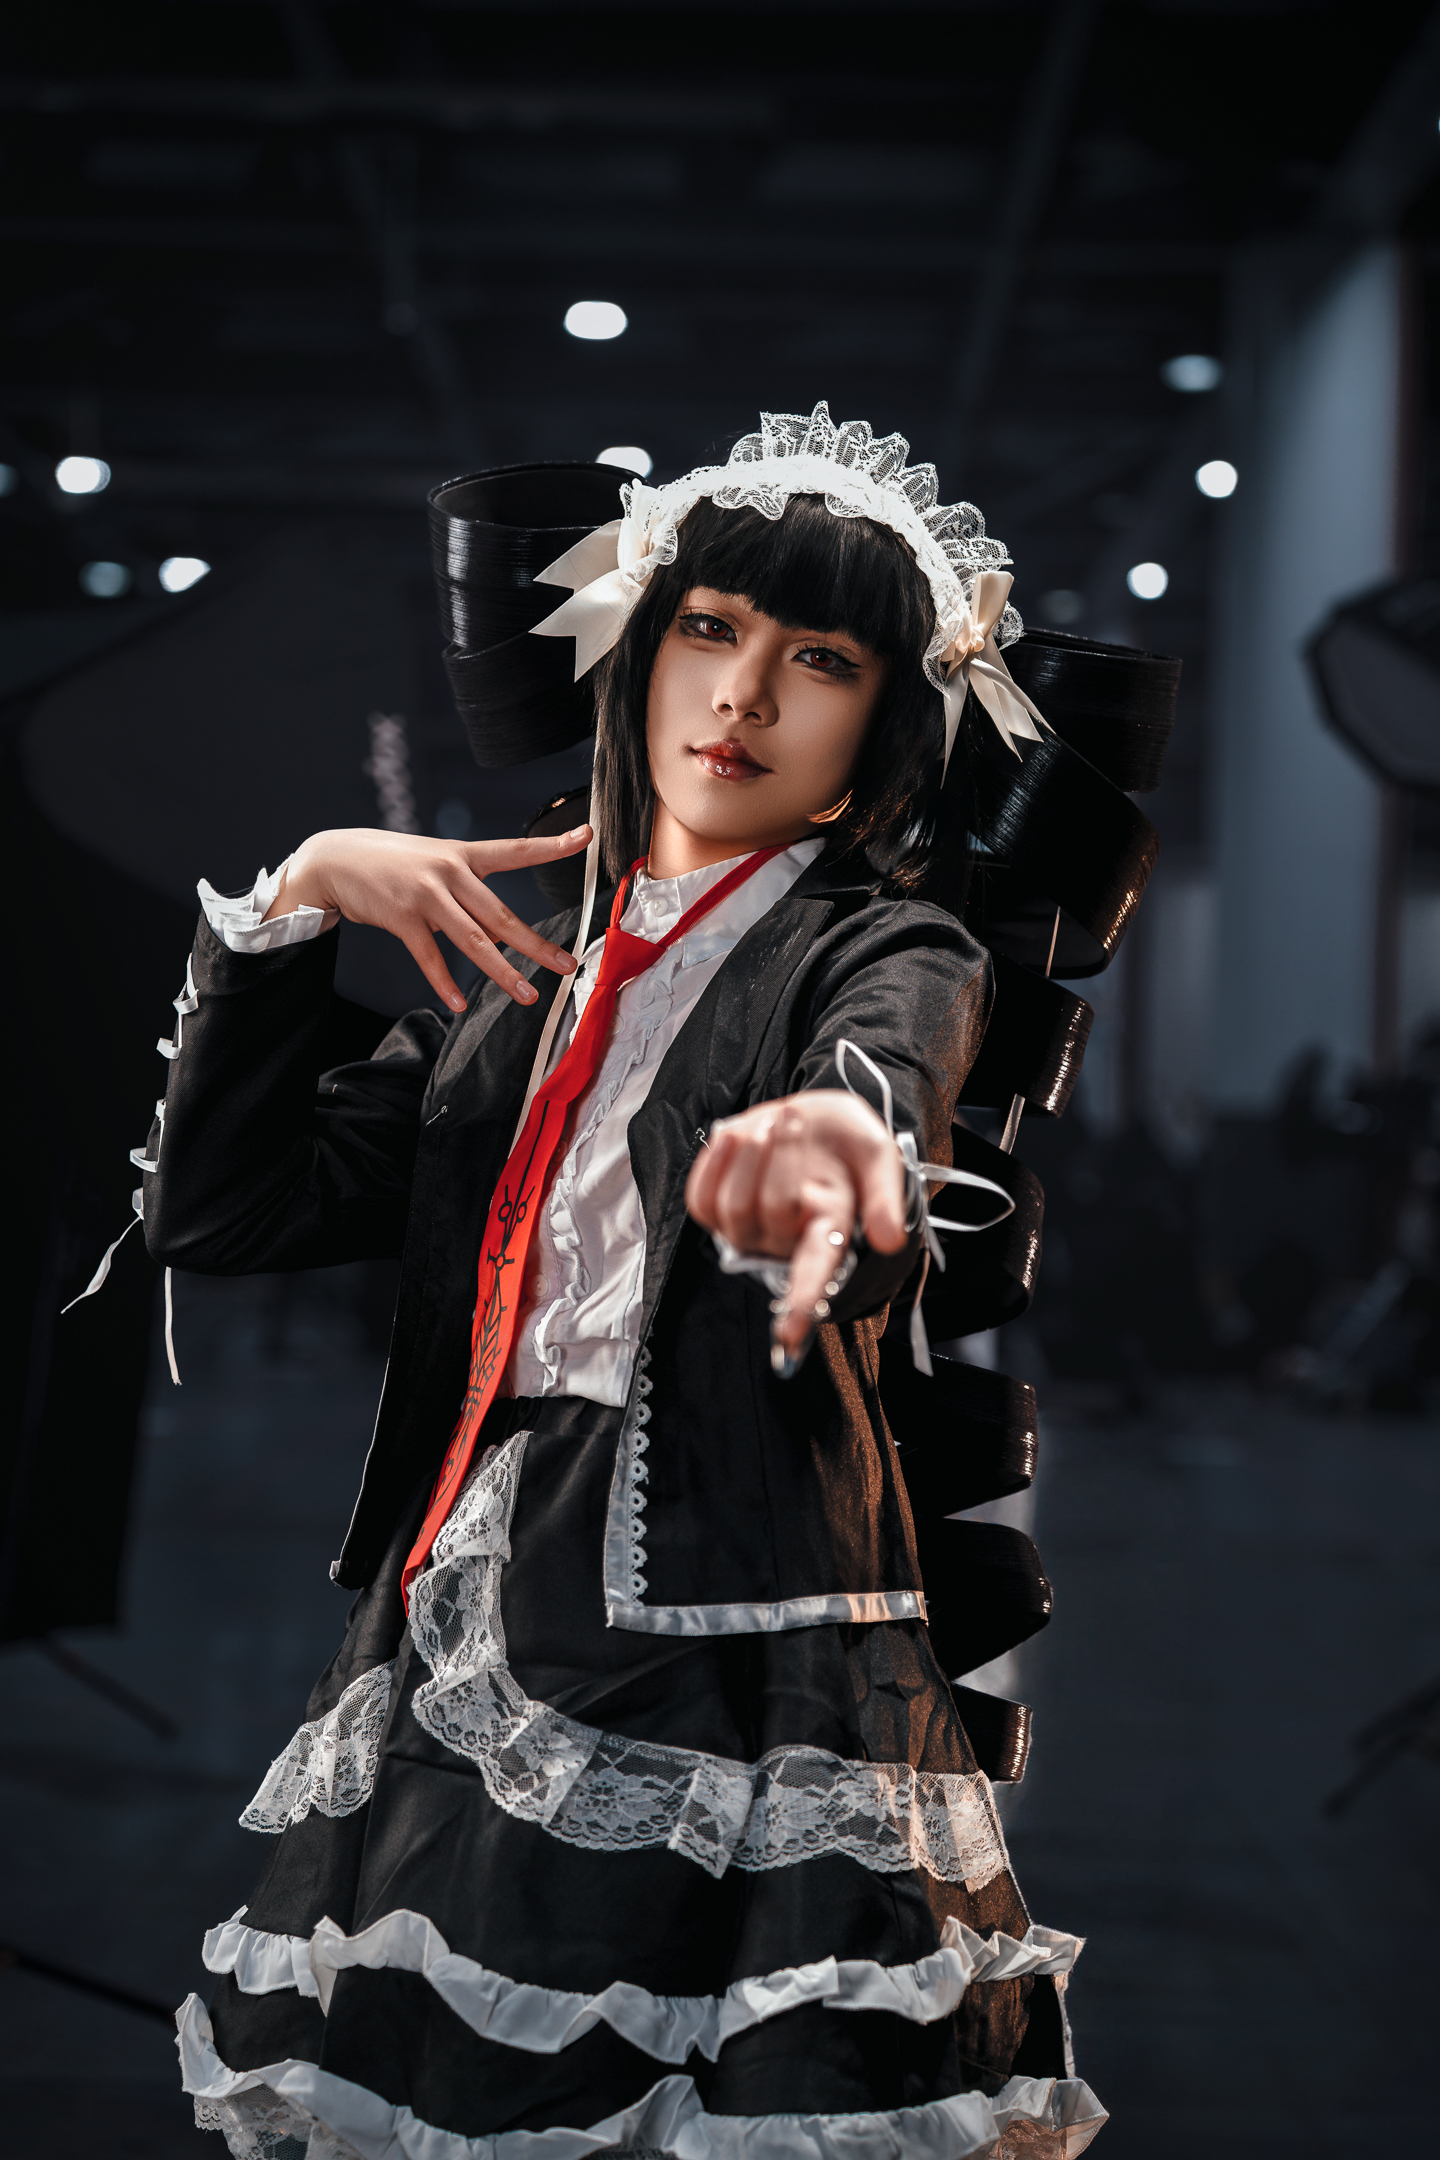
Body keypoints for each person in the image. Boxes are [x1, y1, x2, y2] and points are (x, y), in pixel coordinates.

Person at [149, 408, 1104, 2158]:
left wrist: (836, 1146)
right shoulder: (529, 974)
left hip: (730, 1612)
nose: (743, 695)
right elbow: (225, 1210)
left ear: (882, 729)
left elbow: (885, 1077)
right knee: (459, 2085)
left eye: (820, 660)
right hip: (467, 1587)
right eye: (710, 629)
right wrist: (298, 902)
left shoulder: (885, 945)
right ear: (635, 651)